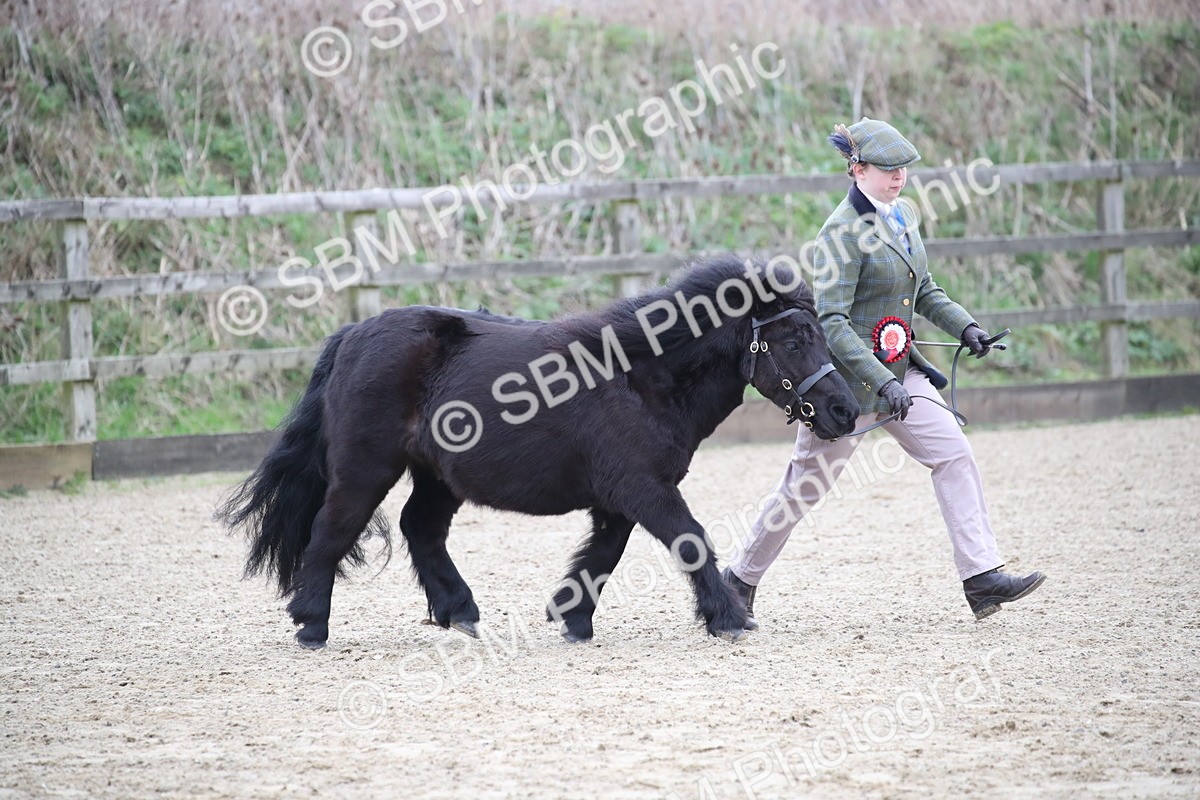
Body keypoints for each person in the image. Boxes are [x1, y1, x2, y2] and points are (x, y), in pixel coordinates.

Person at [722, 117, 1044, 628]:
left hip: (903, 372)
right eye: (888, 170)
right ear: (857, 170)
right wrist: (882, 382)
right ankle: (738, 580)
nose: (899, 178)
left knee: (954, 454)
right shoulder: (839, 235)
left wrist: (966, 328)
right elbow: (832, 321)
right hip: (847, 388)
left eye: (904, 170)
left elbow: (926, 289)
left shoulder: (905, 216)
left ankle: (981, 576)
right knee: (804, 487)